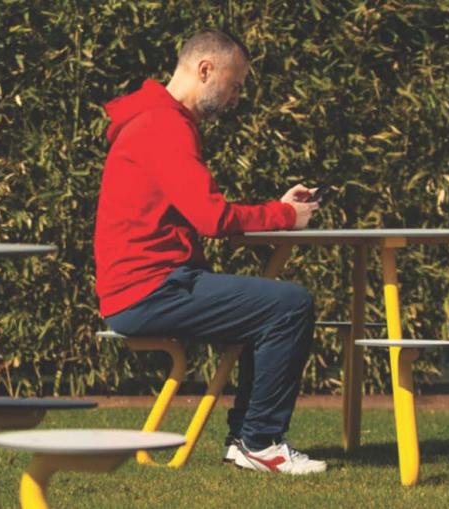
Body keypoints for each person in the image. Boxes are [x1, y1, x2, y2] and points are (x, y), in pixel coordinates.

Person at [93, 28, 326, 475]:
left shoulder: (155, 120)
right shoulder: (163, 125)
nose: (236, 98)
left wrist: (278, 209)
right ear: (205, 69)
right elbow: (212, 218)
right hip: (150, 290)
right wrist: (283, 215)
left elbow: (204, 210)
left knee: (272, 306)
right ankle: (259, 442)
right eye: (234, 85)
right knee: (290, 305)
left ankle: (248, 441)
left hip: (147, 285)